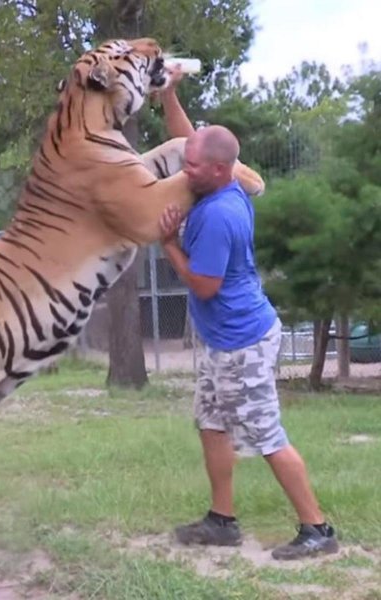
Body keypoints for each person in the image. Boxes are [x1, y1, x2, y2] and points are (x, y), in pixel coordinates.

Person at [156, 68, 339, 560]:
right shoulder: (216, 174)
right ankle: (222, 521)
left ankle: (318, 529)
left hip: (243, 340)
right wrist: (170, 93)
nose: (183, 169)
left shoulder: (219, 214)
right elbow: (187, 139)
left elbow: (204, 285)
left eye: (191, 166)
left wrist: (169, 244)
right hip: (224, 341)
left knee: (266, 434)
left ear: (218, 170)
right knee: (211, 422)